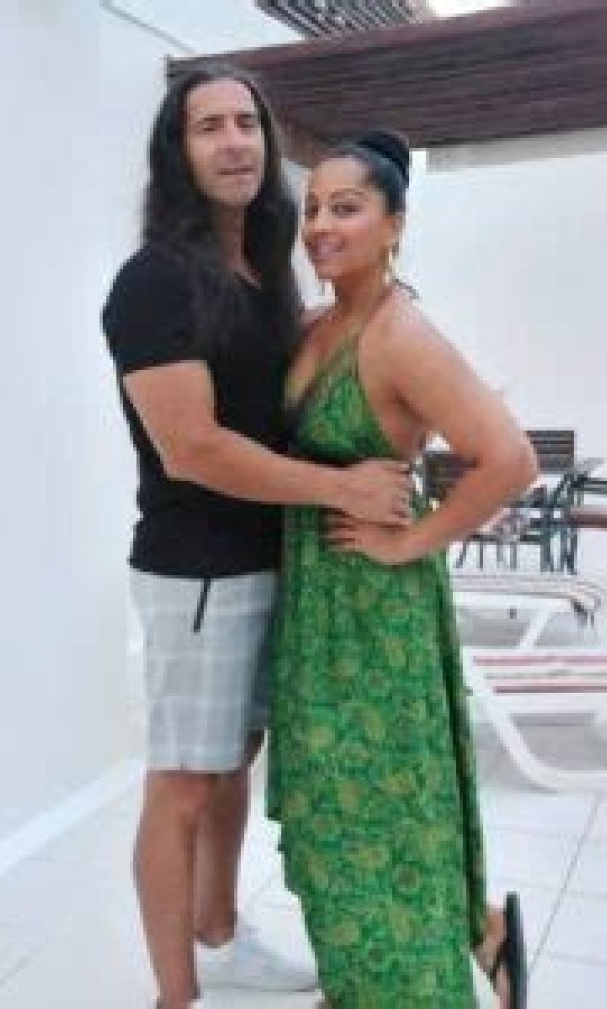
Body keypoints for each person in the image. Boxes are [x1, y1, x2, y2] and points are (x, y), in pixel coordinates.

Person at [101, 66, 413, 1009]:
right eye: (209, 126)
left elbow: (269, 387)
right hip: (199, 574)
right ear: (178, 151)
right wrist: (342, 487)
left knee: (231, 761)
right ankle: (176, 995)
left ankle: (220, 932)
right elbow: (193, 447)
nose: (235, 140)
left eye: (247, 122)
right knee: (182, 785)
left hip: (266, 560)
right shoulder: (156, 280)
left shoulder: (263, 271)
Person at [266, 130, 537, 1008]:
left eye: (346, 208)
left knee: (381, 810)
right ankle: (409, 961)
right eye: (313, 207)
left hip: (375, 610)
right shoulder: (318, 326)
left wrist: (410, 542)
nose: (320, 225)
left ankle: (410, 985)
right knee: (331, 809)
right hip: (317, 597)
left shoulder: (400, 334)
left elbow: (509, 459)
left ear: (394, 224)